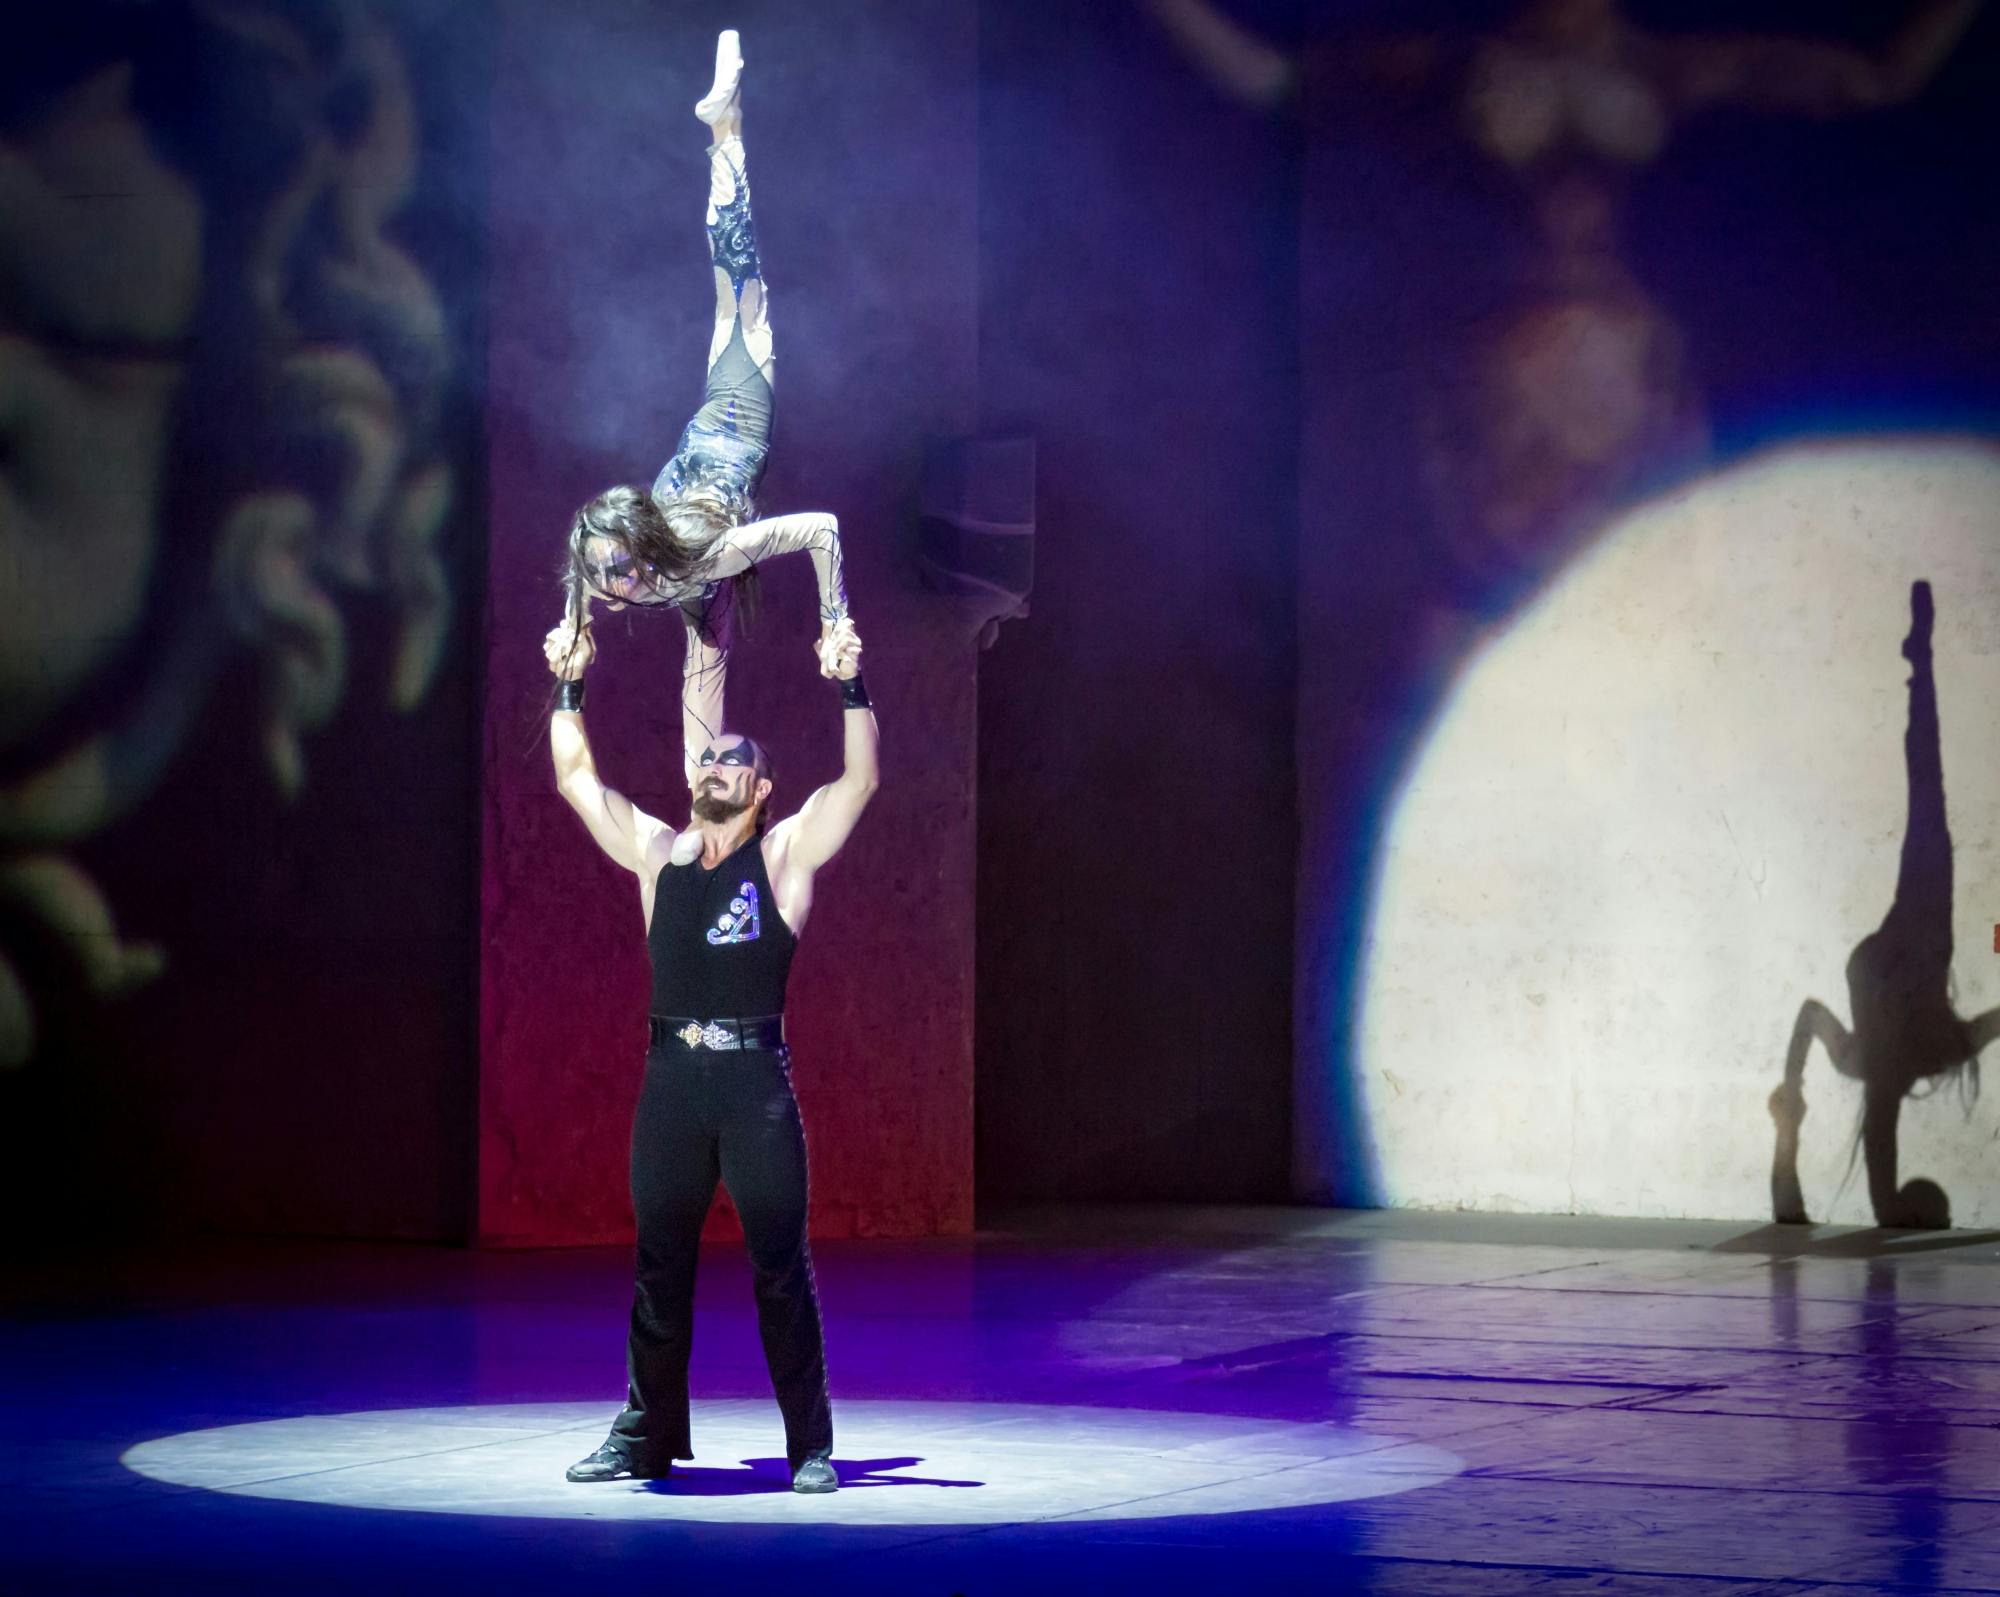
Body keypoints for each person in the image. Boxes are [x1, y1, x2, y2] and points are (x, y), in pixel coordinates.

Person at [541, 588, 878, 1492]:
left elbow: (858, 785)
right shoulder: (660, 856)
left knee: (779, 1269)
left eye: (734, 760)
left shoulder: (783, 859)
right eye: (710, 756)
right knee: (659, 1265)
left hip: (755, 1086)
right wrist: (569, 686)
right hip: (672, 1086)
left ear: (761, 791)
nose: (716, 763)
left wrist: (851, 685)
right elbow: (578, 781)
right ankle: (647, 1434)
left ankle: (810, 1445)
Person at [555, 28, 854, 756]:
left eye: (612, 569)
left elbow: (822, 528)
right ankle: (707, 813)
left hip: (733, 407)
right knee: (702, 681)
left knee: (734, 268)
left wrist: (832, 619)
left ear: (643, 549)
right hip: (719, 449)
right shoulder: (621, 568)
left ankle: (727, 127)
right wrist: (575, 621)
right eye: (602, 575)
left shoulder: (701, 561)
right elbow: (578, 552)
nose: (606, 583)